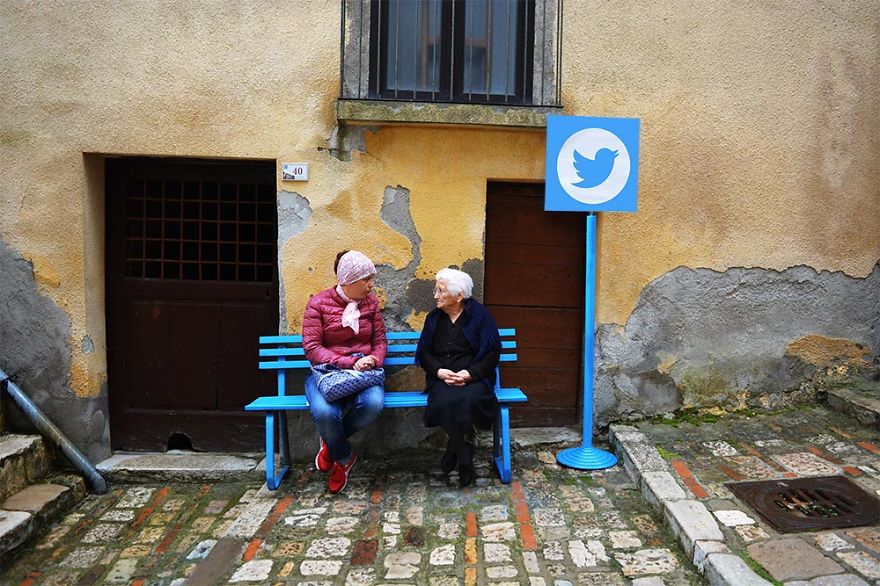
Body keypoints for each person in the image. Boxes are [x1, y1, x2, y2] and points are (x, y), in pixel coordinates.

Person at [302, 250, 387, 494]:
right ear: (348, 281)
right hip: (327, 372)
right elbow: (312, 348)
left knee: (373, 404)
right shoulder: (318, 304)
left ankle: (330, 443)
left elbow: (380, 339)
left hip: (365, 373)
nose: (371, 285)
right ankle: (344, 457)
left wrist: (374, 358)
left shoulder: (370, 303)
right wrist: (348, 362)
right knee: (324, 412)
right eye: (366, 279)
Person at [416, 268, 501, 487]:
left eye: (441, 290)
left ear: (459, 296)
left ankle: (454, 448)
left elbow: (493, 352)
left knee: (468, 399)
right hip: (443, 377)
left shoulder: (481, 317)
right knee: (444, 400)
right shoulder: (434, 318)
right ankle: (465, 459)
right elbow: (424, 353)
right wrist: (438, 372)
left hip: (473, 378)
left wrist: (470, 374)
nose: (435, 295)